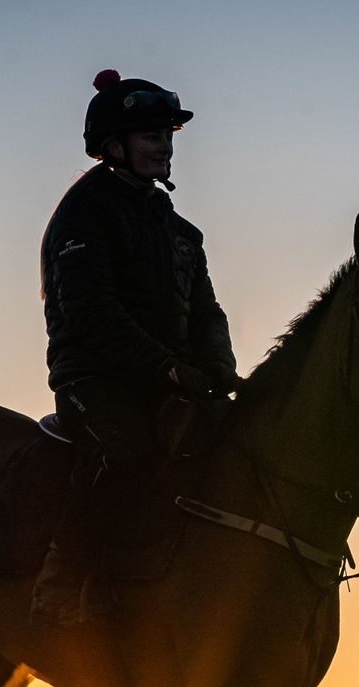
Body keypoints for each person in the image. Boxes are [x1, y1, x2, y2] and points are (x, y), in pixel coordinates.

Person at [32, 69, 237, 625]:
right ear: (115, 145)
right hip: (93, 381)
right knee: (125, 453)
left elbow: (207, 311)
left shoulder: (182, 233)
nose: (164, 147)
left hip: (168, 379)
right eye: (152, 137)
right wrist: (169, 369)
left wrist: (218, 362)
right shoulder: (84, 214)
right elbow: (92, 314)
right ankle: (61, 583)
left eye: (168, 136)